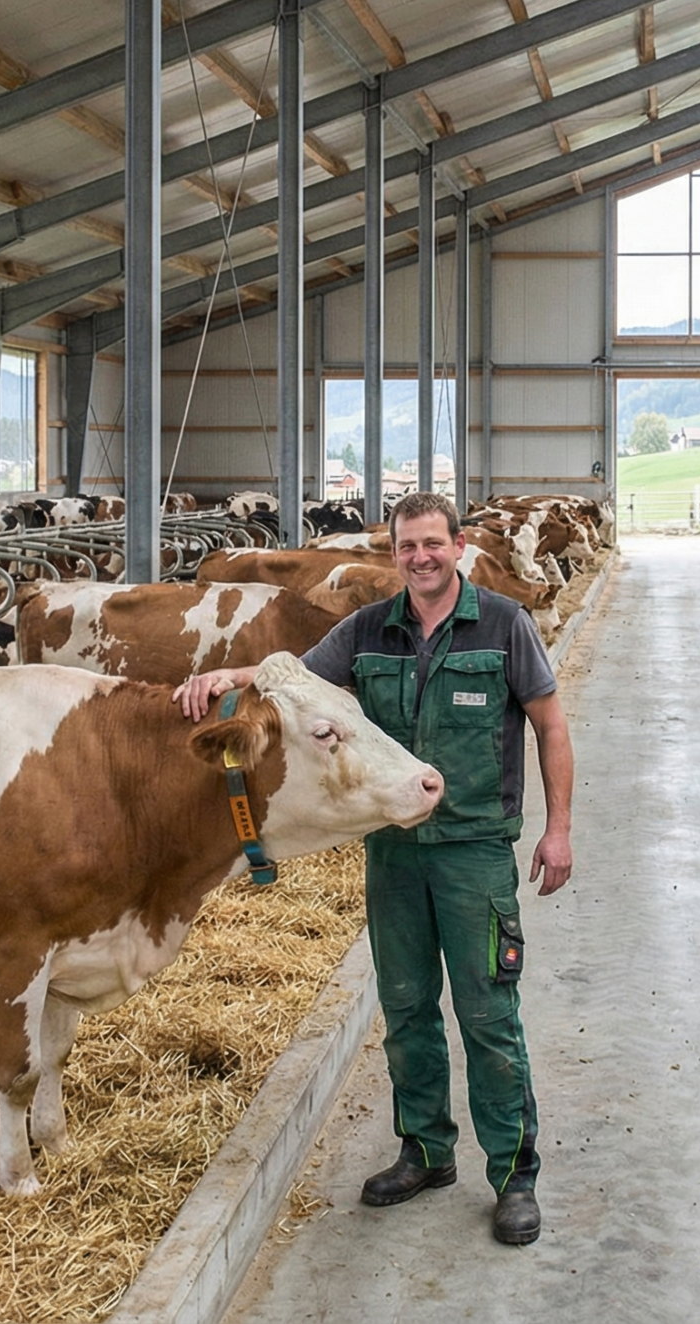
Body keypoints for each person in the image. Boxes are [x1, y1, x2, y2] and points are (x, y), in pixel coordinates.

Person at [176, 491, 576, 1246]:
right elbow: (288, 678)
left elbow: (552, 727)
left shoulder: (505, 624)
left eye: (433, 544)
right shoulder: (367, 628)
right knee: (406, 1011)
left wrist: (558, 829)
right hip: (392, 852)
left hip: (474, 852)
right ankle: (425, 1151)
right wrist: (222, 678)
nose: (421, 558)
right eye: (407, 547)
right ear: (394, 554)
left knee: (488, 1017)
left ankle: (514, 1175)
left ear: (458, 546)